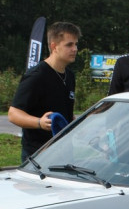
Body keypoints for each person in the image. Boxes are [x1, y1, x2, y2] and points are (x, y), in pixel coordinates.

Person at [8, 21, 81, 161]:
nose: (75, 49)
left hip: (64, 150)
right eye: (69, 45)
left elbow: (64, 110)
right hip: (38, 154)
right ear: (54, 46)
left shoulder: (70, 75)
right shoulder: (37, 76)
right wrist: (39, 122)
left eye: (76, 44)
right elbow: (13, 114)